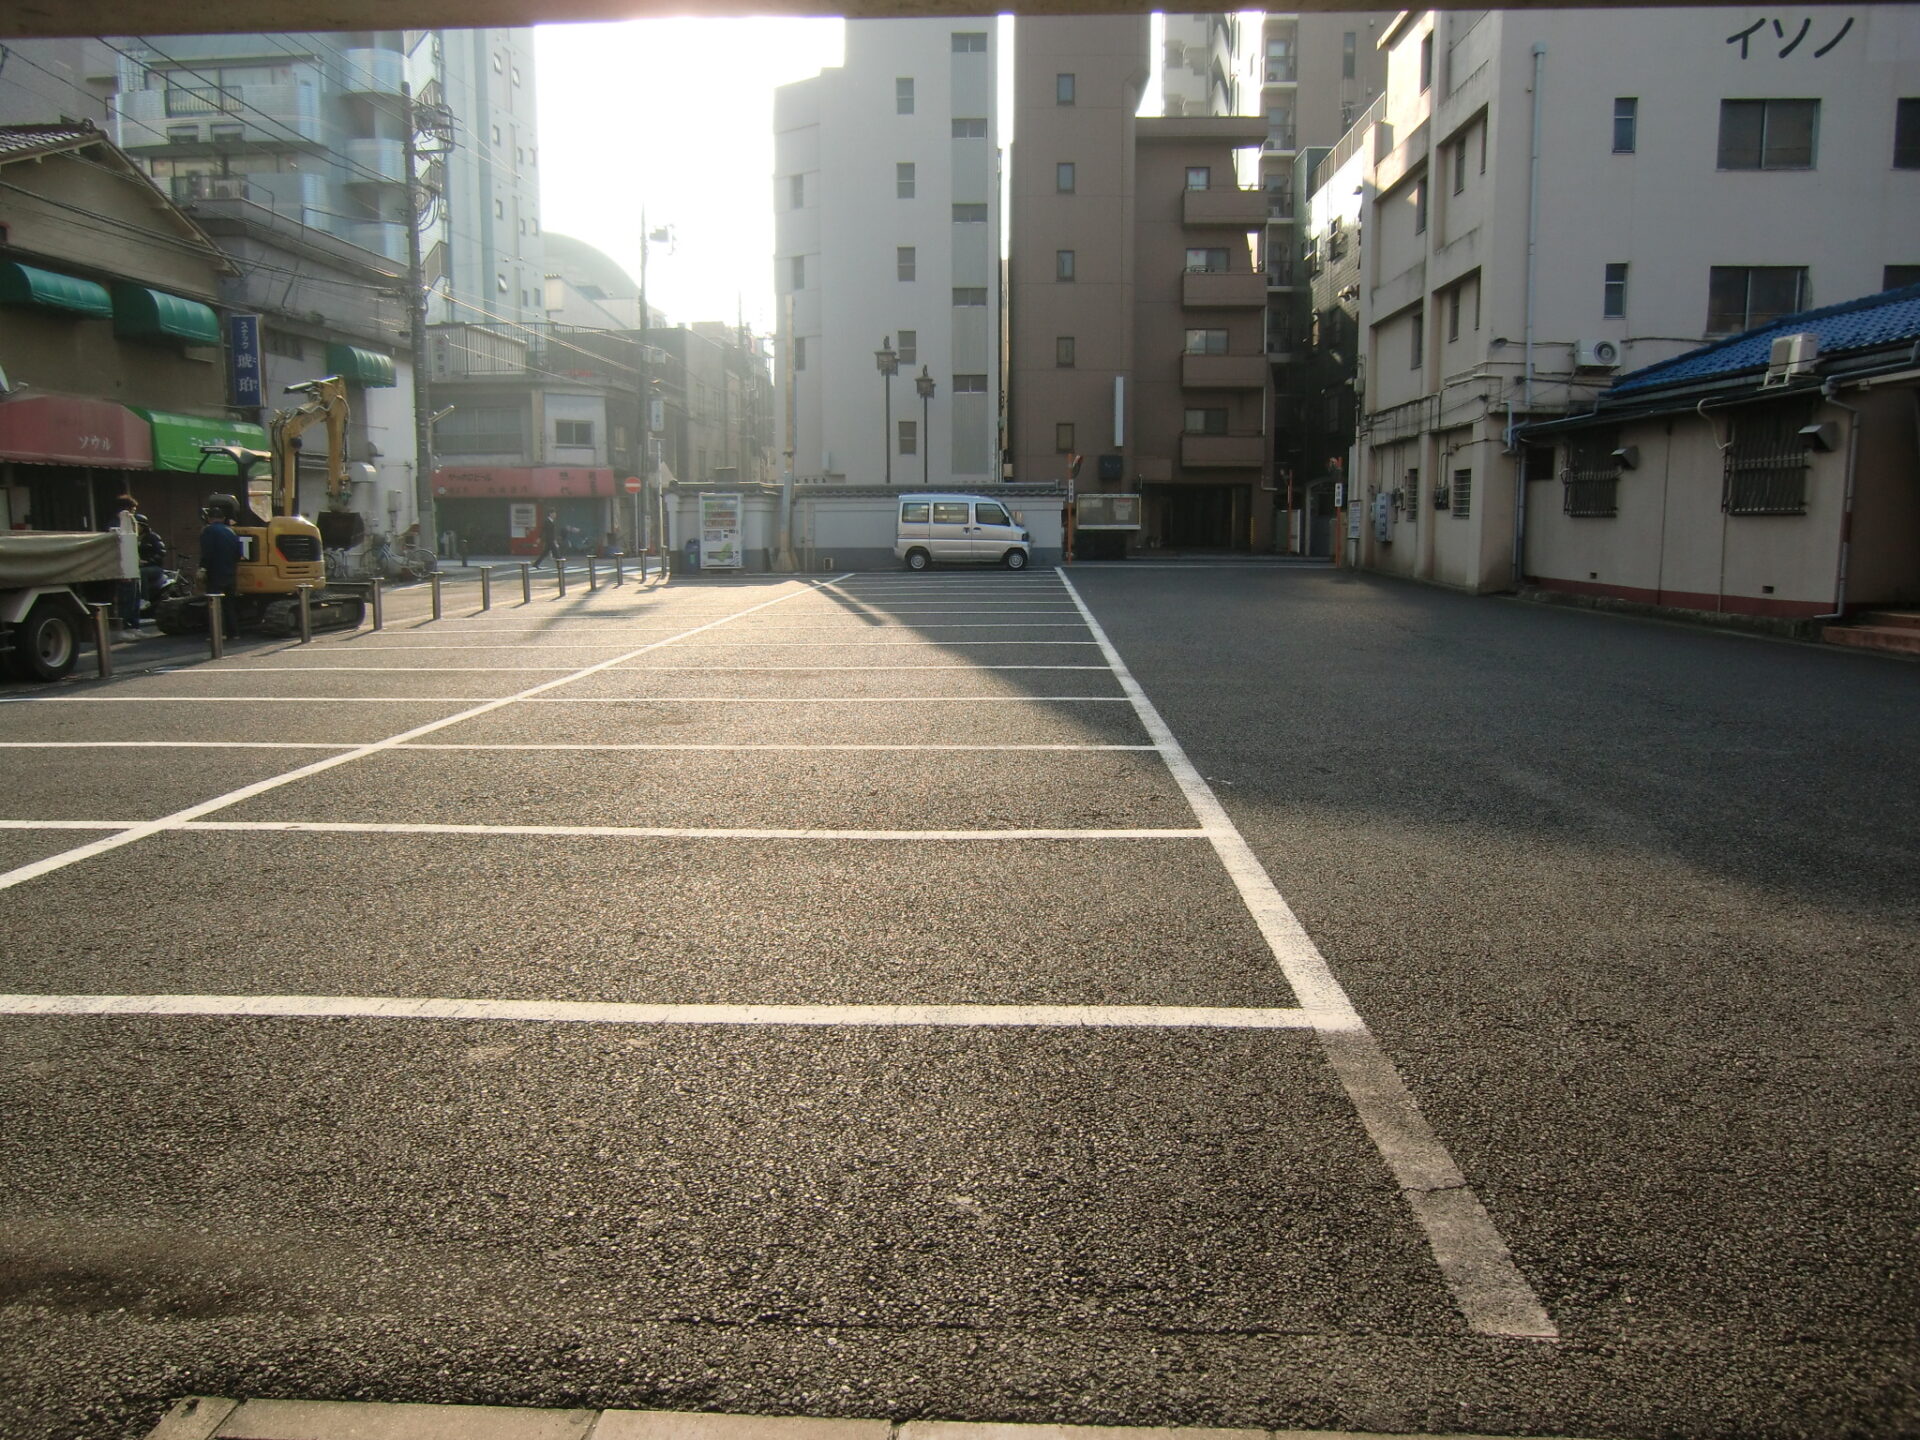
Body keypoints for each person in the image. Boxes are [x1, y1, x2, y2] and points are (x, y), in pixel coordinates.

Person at [198, 494, 244, 637]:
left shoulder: (209, 530)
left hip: (215, 573)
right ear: (223, 518)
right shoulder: (231, 532)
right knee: (229, 605)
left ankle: (217, 634)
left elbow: (208, 551)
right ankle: (233, 633)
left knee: (214, 605)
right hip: (230, 573)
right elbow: (239, 554)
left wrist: (202, 568)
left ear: (210, 519)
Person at [104, 496, 143, 637]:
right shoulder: (115, 525)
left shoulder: (130, 523)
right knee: (125, 598)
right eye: (132, 510)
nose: (134, 513)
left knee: (135, 597)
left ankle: (134, 625)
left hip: (133, 566)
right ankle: (123, 627)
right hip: (123, 567)